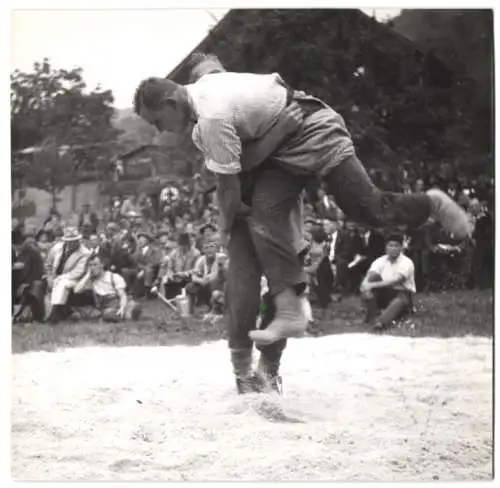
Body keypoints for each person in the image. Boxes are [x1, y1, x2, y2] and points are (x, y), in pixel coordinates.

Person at [360, 233, 416, 332]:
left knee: (400, 299)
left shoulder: (407, 262)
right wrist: (365, 285)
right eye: (390, 245)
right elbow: (371, 275)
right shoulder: (380, 260)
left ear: (401, 248)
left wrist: (372, 285)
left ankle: (381, 322)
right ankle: (371, 316)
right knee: (372, 279)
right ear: (386, 247)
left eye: (396, 246)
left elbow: (397, 279)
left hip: (402, 294)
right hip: (385, 293)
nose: (393, 248)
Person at [74, 256, 142, 322]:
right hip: (105, 308)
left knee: (133, 305)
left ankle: (124, 313)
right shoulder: (90, 280)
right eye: (90, 266)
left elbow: (122, 295)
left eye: (95, 265)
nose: (92, 268)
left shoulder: (113, 277)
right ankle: (121, 316)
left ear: (102, 265)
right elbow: (76, 290)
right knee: (107, 313)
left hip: (119, 303)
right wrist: (87, 275)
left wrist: (122, 307)